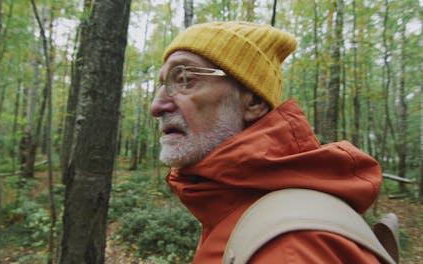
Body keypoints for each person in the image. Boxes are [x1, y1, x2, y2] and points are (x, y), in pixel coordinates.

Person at [150, 21, 384, 263]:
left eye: (186, 78)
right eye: (163, 83)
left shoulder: (291, 248)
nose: (156, 106)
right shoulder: (228, 202)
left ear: (253, 102)